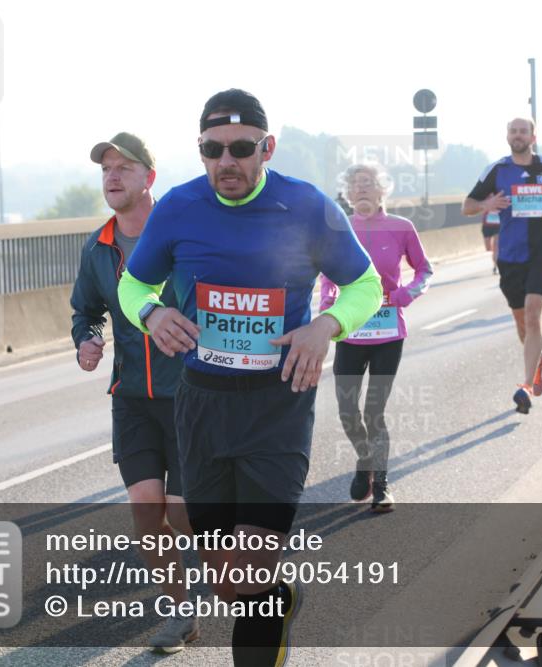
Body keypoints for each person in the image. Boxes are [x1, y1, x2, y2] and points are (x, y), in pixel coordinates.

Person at [117, 89, 381, 666]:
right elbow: (134, 284)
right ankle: (278, 596)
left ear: (267, 147)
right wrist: (153, 312)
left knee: (252, 577)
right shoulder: (180, 208)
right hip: (202, 406)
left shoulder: (307, 206)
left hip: (276, 407)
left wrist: (326, 326)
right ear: (201, 150)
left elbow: (366, 285)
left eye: (240, 148)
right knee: (228, 582)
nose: (226, 161)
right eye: (213, 149)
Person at [70, 132, 197, 653]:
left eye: (123, 167)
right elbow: (85, 310)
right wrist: (87, 340)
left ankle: (245, 579)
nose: (112, 177)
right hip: (133, 398)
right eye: (105, 169)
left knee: (186, 515)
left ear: (149, 177)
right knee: (147, 509)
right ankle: (179, 613)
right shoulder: (98, 246)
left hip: (192, 393)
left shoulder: (184, 236)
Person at [320, 163, 433, 513]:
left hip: (387, 333)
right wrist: (327, 301)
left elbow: (424, 270)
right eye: (355, 184)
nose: (362, 189)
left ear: (383, 190)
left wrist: (408, 293)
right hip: (351, 332)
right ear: (348, 193)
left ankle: (382, 486)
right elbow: (328, 274)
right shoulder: (339, 228)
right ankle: (364, 460)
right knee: (346, 411)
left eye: (369, 183)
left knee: (374, 412)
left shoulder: (402, 227)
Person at [462, 117, 542, 414]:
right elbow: (467, 205)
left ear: (533, 136)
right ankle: (538, 361)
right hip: (510, 256)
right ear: (507, 136)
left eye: (523, 131)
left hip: (541, 252)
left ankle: (525, 385)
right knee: (521, 321)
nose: (518, 135)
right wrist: (486, 206)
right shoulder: (498, 170)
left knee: (532, 313)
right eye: (513, 131)